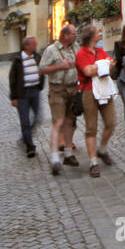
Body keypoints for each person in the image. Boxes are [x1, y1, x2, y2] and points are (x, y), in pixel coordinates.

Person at [38, 23, 81, 175]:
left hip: (73, 89)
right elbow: (41, 69)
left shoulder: (76, 47)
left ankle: (68, 154)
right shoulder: (51, 50)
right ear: (65, 36)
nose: (76, 36)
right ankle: (55, 158)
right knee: (59, 122)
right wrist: (59, 67)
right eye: (74, 34)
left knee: (70, 122)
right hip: (57, 89)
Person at [75, 23, 116, 177]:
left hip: (104, 89)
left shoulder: (100, 50)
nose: (100, 35)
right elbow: (87, 71)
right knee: (91, 128)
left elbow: (112, 64)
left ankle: (102, 149)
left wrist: (98, 66)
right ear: (91, 37)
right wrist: (103, 65)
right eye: (97, 33)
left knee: (111, 123)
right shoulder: (81, 53)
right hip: (88, 92)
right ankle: (93, 162)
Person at [8, 36, 43, 157]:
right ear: (26, 46)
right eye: (33, 44)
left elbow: (42, 70)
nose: (35, 46)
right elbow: (12, 78)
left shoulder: (37, 57)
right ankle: (29, 146)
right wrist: (13, 97)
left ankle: (25, 135)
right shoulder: (18, 60)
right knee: (25, 120)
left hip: (35, 92)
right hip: (23, 94)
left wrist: (40, 84)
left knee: (38, 117)